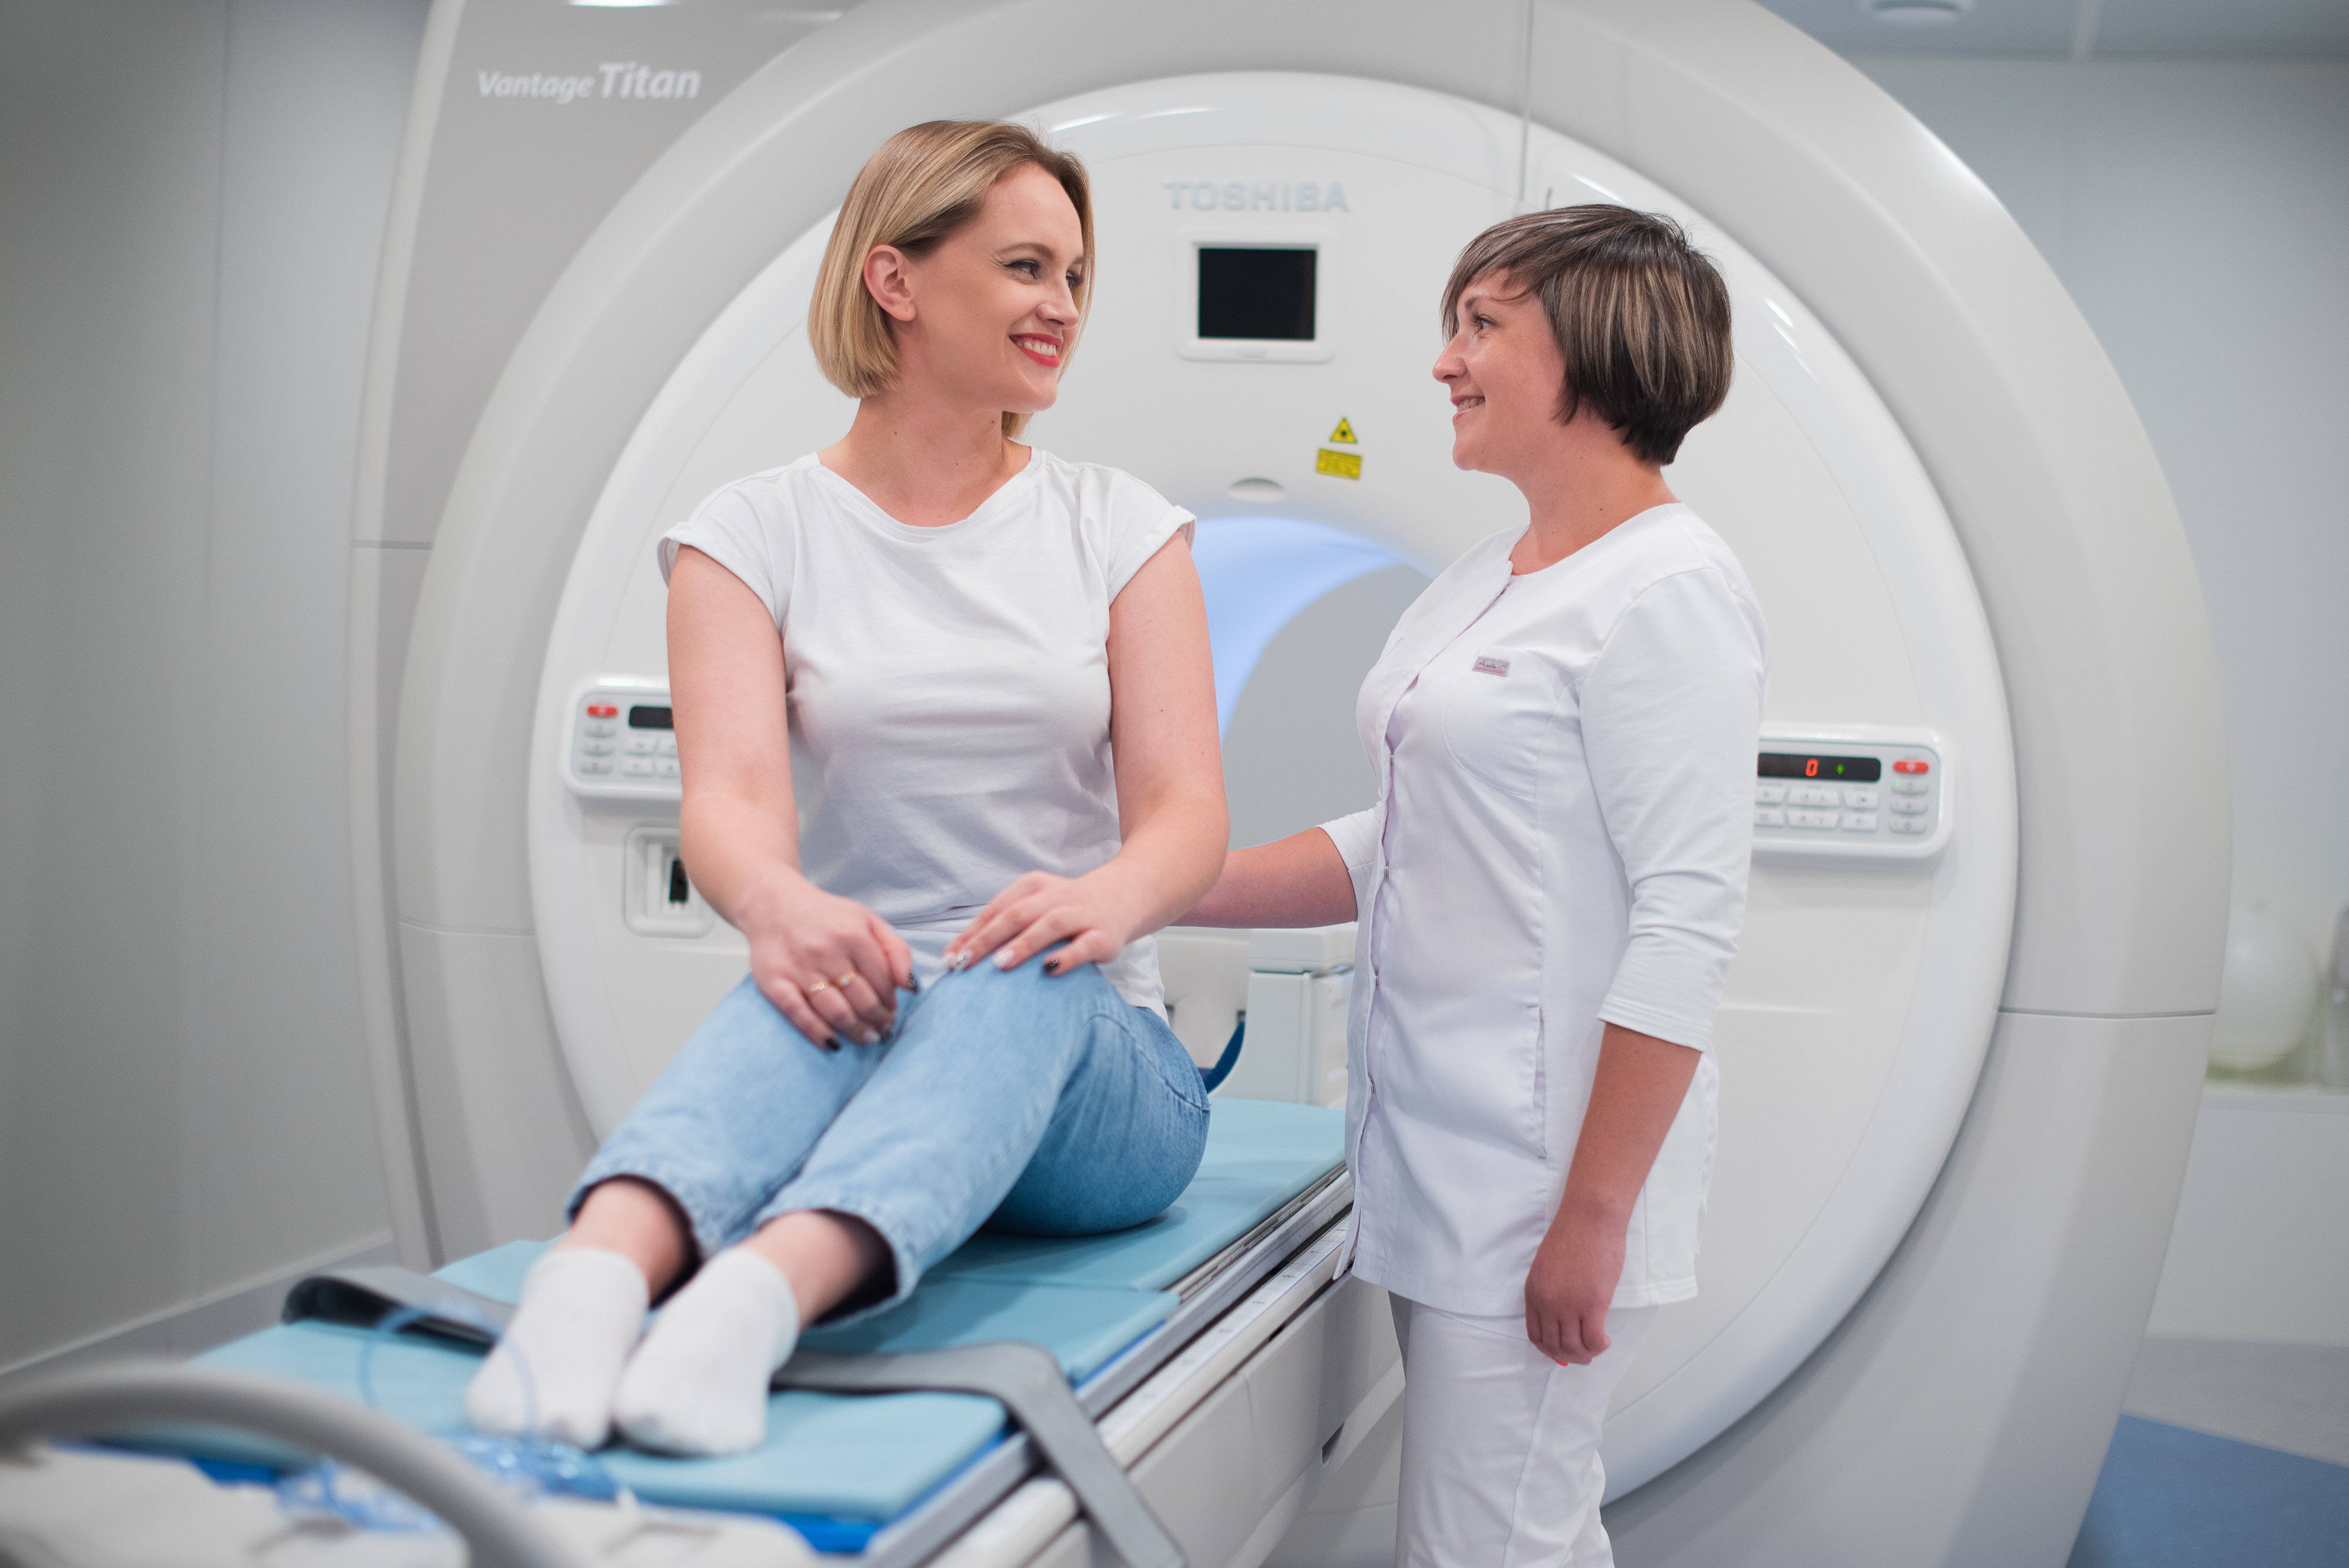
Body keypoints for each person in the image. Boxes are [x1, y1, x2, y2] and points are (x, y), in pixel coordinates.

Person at [465, 120, 1226, 1458]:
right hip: (875, 1023)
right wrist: (776, 907)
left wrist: (1103, 901)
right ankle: (585, 1290)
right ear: (895, 279)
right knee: (809, 974)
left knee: (1013, 957)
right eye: (1026, 268)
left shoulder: (1118, 524)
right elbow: (732, 804)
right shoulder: (748, 534)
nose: (1062, 305)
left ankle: (754, 1301)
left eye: (1073, 276)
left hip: (1100, 1066)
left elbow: (1188, 816)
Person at [1184, 206, 1765, 1566]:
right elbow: (1404, 840)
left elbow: (1686, 925)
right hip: (1434, 1158)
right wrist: (1160, 889)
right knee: (1504, 1540)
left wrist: (1590, 1222)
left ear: (1595, 353)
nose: (1444, 362)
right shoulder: (1482, 578)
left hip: (1540, 1182)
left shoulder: (1666, 591)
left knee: (1486, 1548)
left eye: (1480, 327)